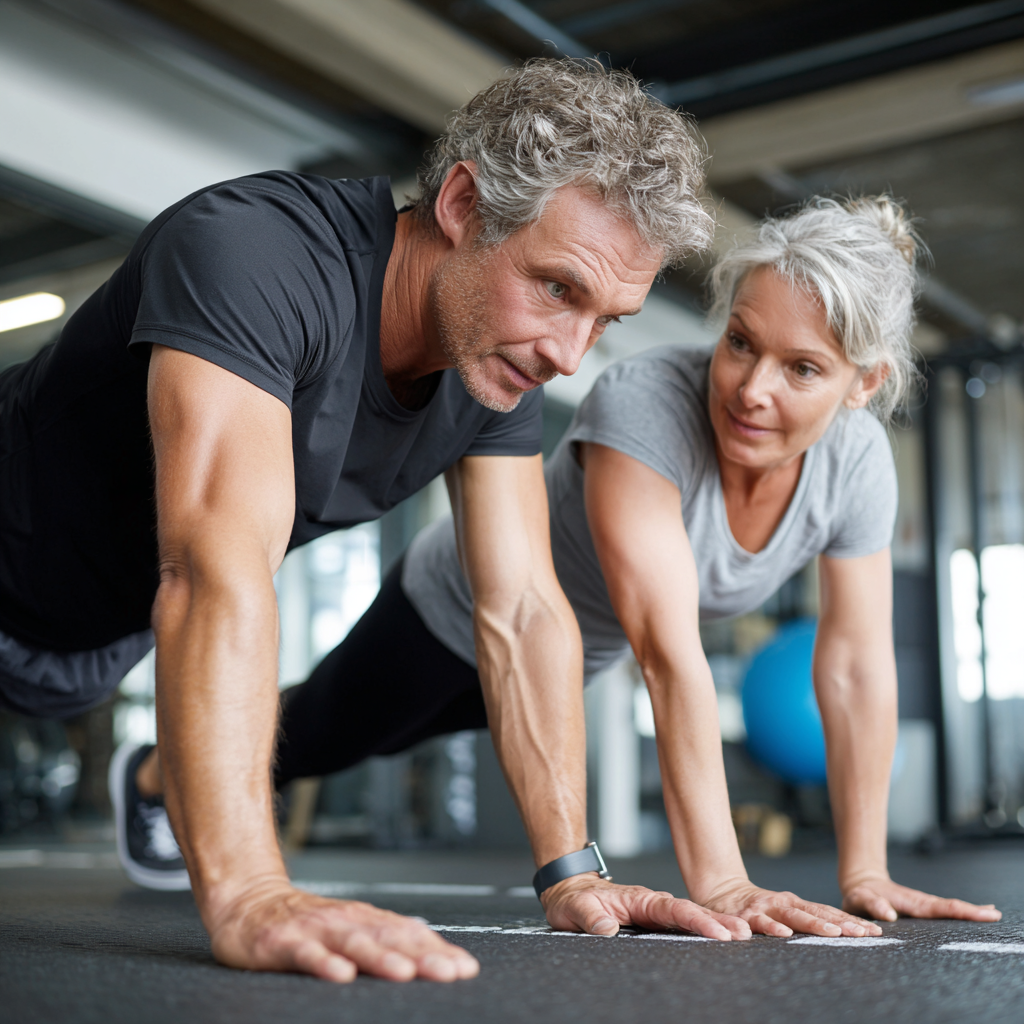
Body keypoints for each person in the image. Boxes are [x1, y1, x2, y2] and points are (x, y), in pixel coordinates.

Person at [0, 60, 736, 983]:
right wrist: (249, 892)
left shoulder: (493, 365)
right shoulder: (257, 255)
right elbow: (215, 567)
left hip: (84, 642)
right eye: (556, 287)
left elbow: (520, 606)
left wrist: (571, 872)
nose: (567, 353)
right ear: (464, 202)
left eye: (605, 319)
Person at [282, 195, 1001, 936]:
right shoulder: (645, 405)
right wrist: (723, 882)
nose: (753, 391)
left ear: (864, 384)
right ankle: (157, 772)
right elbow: (669, 657)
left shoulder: (858, 467)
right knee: (314, 740)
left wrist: (866, 872)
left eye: (803, 369)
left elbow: (854, 665)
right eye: (742, 344)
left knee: (389, 737)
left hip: (576, 655)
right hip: (453, 610)